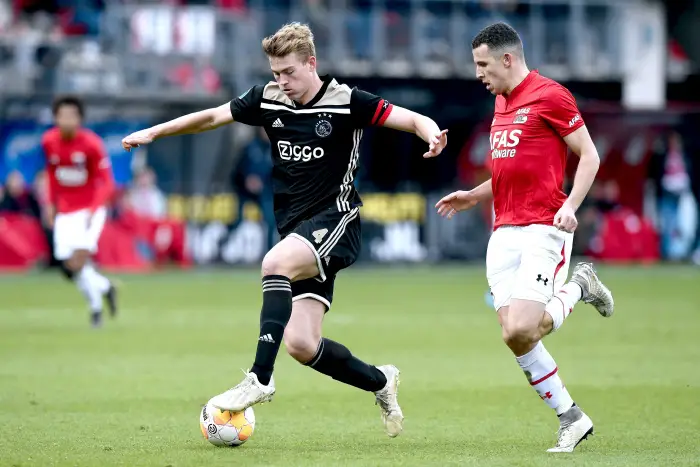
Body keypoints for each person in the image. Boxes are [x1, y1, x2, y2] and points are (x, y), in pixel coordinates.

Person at [121, 22, 448, 438]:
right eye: (276, 73)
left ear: (311, 63)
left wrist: (431, 132)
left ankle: (258, 378)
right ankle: (380, 382)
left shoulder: (348, 102)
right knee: (302, 344)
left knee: (273, 262)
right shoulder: (268, 99)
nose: (281, 81)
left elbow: (410, 118)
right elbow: (213, 116)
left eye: (289, 72)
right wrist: (156, 131)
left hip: (337, 219)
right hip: (297, 228)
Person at [435, 23, 614, 453]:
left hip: (544, 228)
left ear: (507, 59)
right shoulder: (500, 102)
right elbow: (509, 169)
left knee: (523, 325)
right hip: (503, 231)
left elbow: (589, 156)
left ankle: (579, 285)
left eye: (482, 64)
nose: (478, 73)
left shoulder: (551, 95)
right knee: (515, 336)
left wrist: (570, 205)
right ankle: (571, 417)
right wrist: (474, 196)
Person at [41, 96, 118, 328]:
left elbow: (107, 182)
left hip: (89, 210)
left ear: (80, 119)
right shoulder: (49, 141)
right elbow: (52, 176)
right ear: (55, 118)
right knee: (69, 267)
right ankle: (105, 287)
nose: (66, 120)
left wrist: (94, 211)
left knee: (78, 261)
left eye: (71, 115)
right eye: (62, 115)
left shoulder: (92, 144)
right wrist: (50, 205)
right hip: (65, 211)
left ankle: (96, 312)